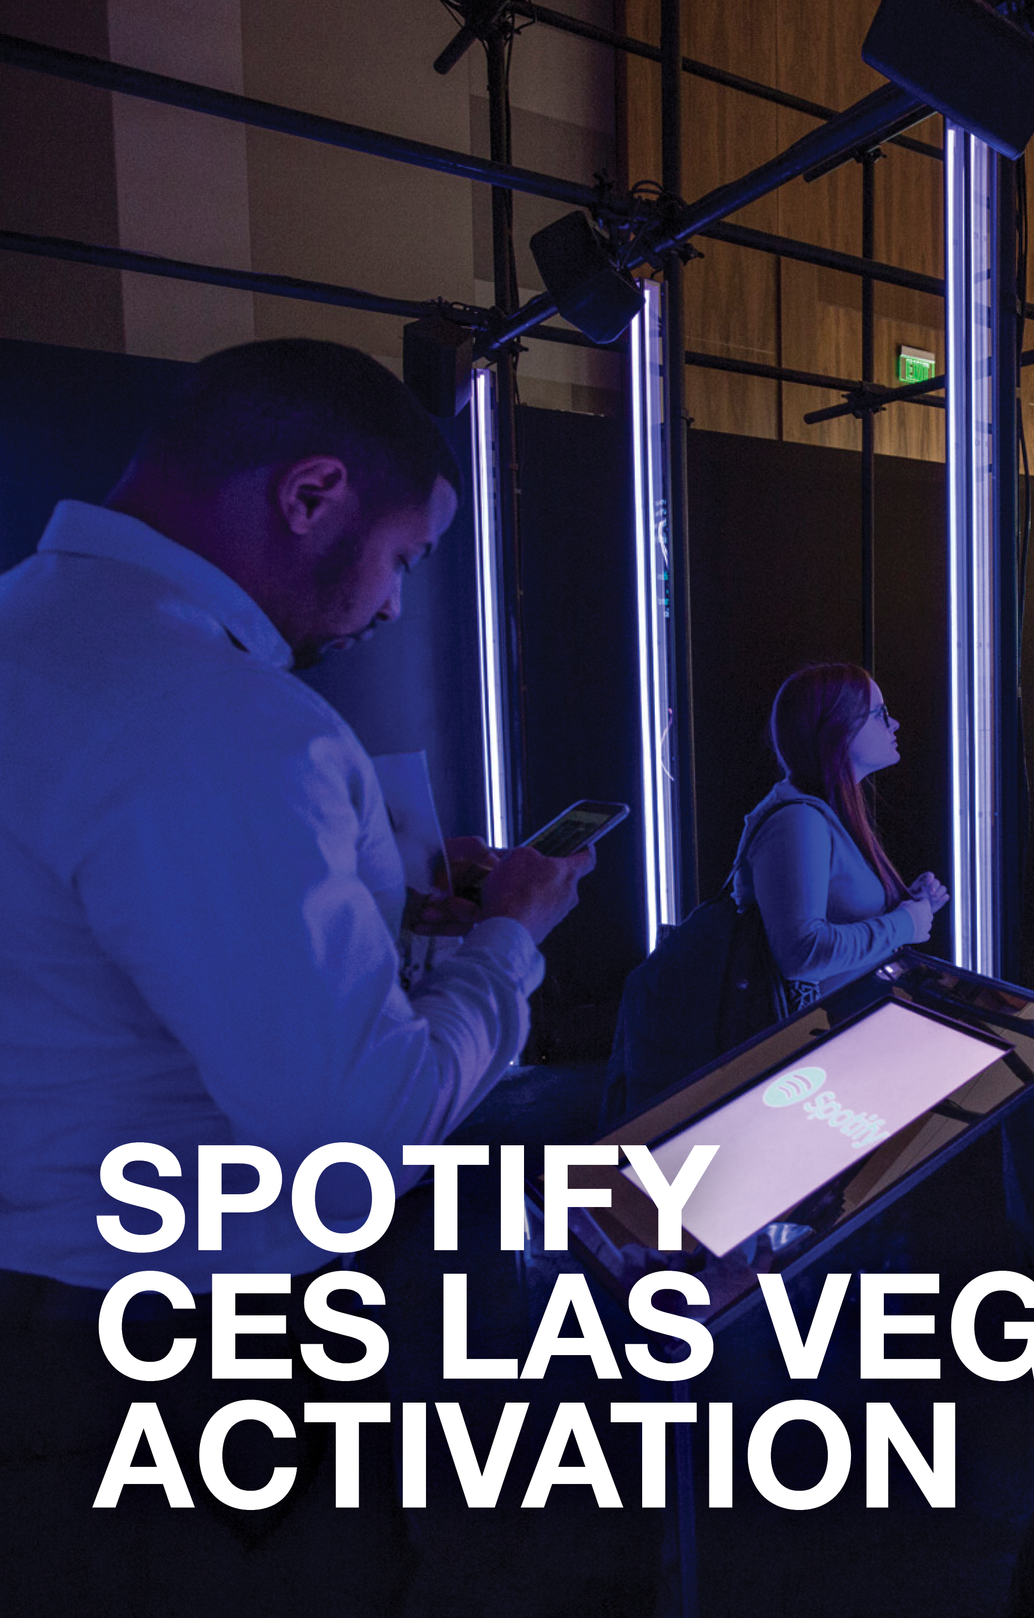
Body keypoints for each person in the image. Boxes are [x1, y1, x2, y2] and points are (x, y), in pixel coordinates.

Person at [0, 338, 594, 1609]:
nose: (387, 606)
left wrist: (376, 912)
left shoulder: (27, 631)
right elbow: (354, 1127)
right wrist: (511, 938)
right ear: (312, 493)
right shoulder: (223, 720)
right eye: (403, 560)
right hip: (184, 1360)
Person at [734, 662, 947, 1012]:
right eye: (880, 713)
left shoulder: (822, 812)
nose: (894, 724)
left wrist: (910, 904)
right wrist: (905, 924)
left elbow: (835, 915)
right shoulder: (798, 820)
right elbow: (802, 954)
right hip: (814, 1046)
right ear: (839, 728)